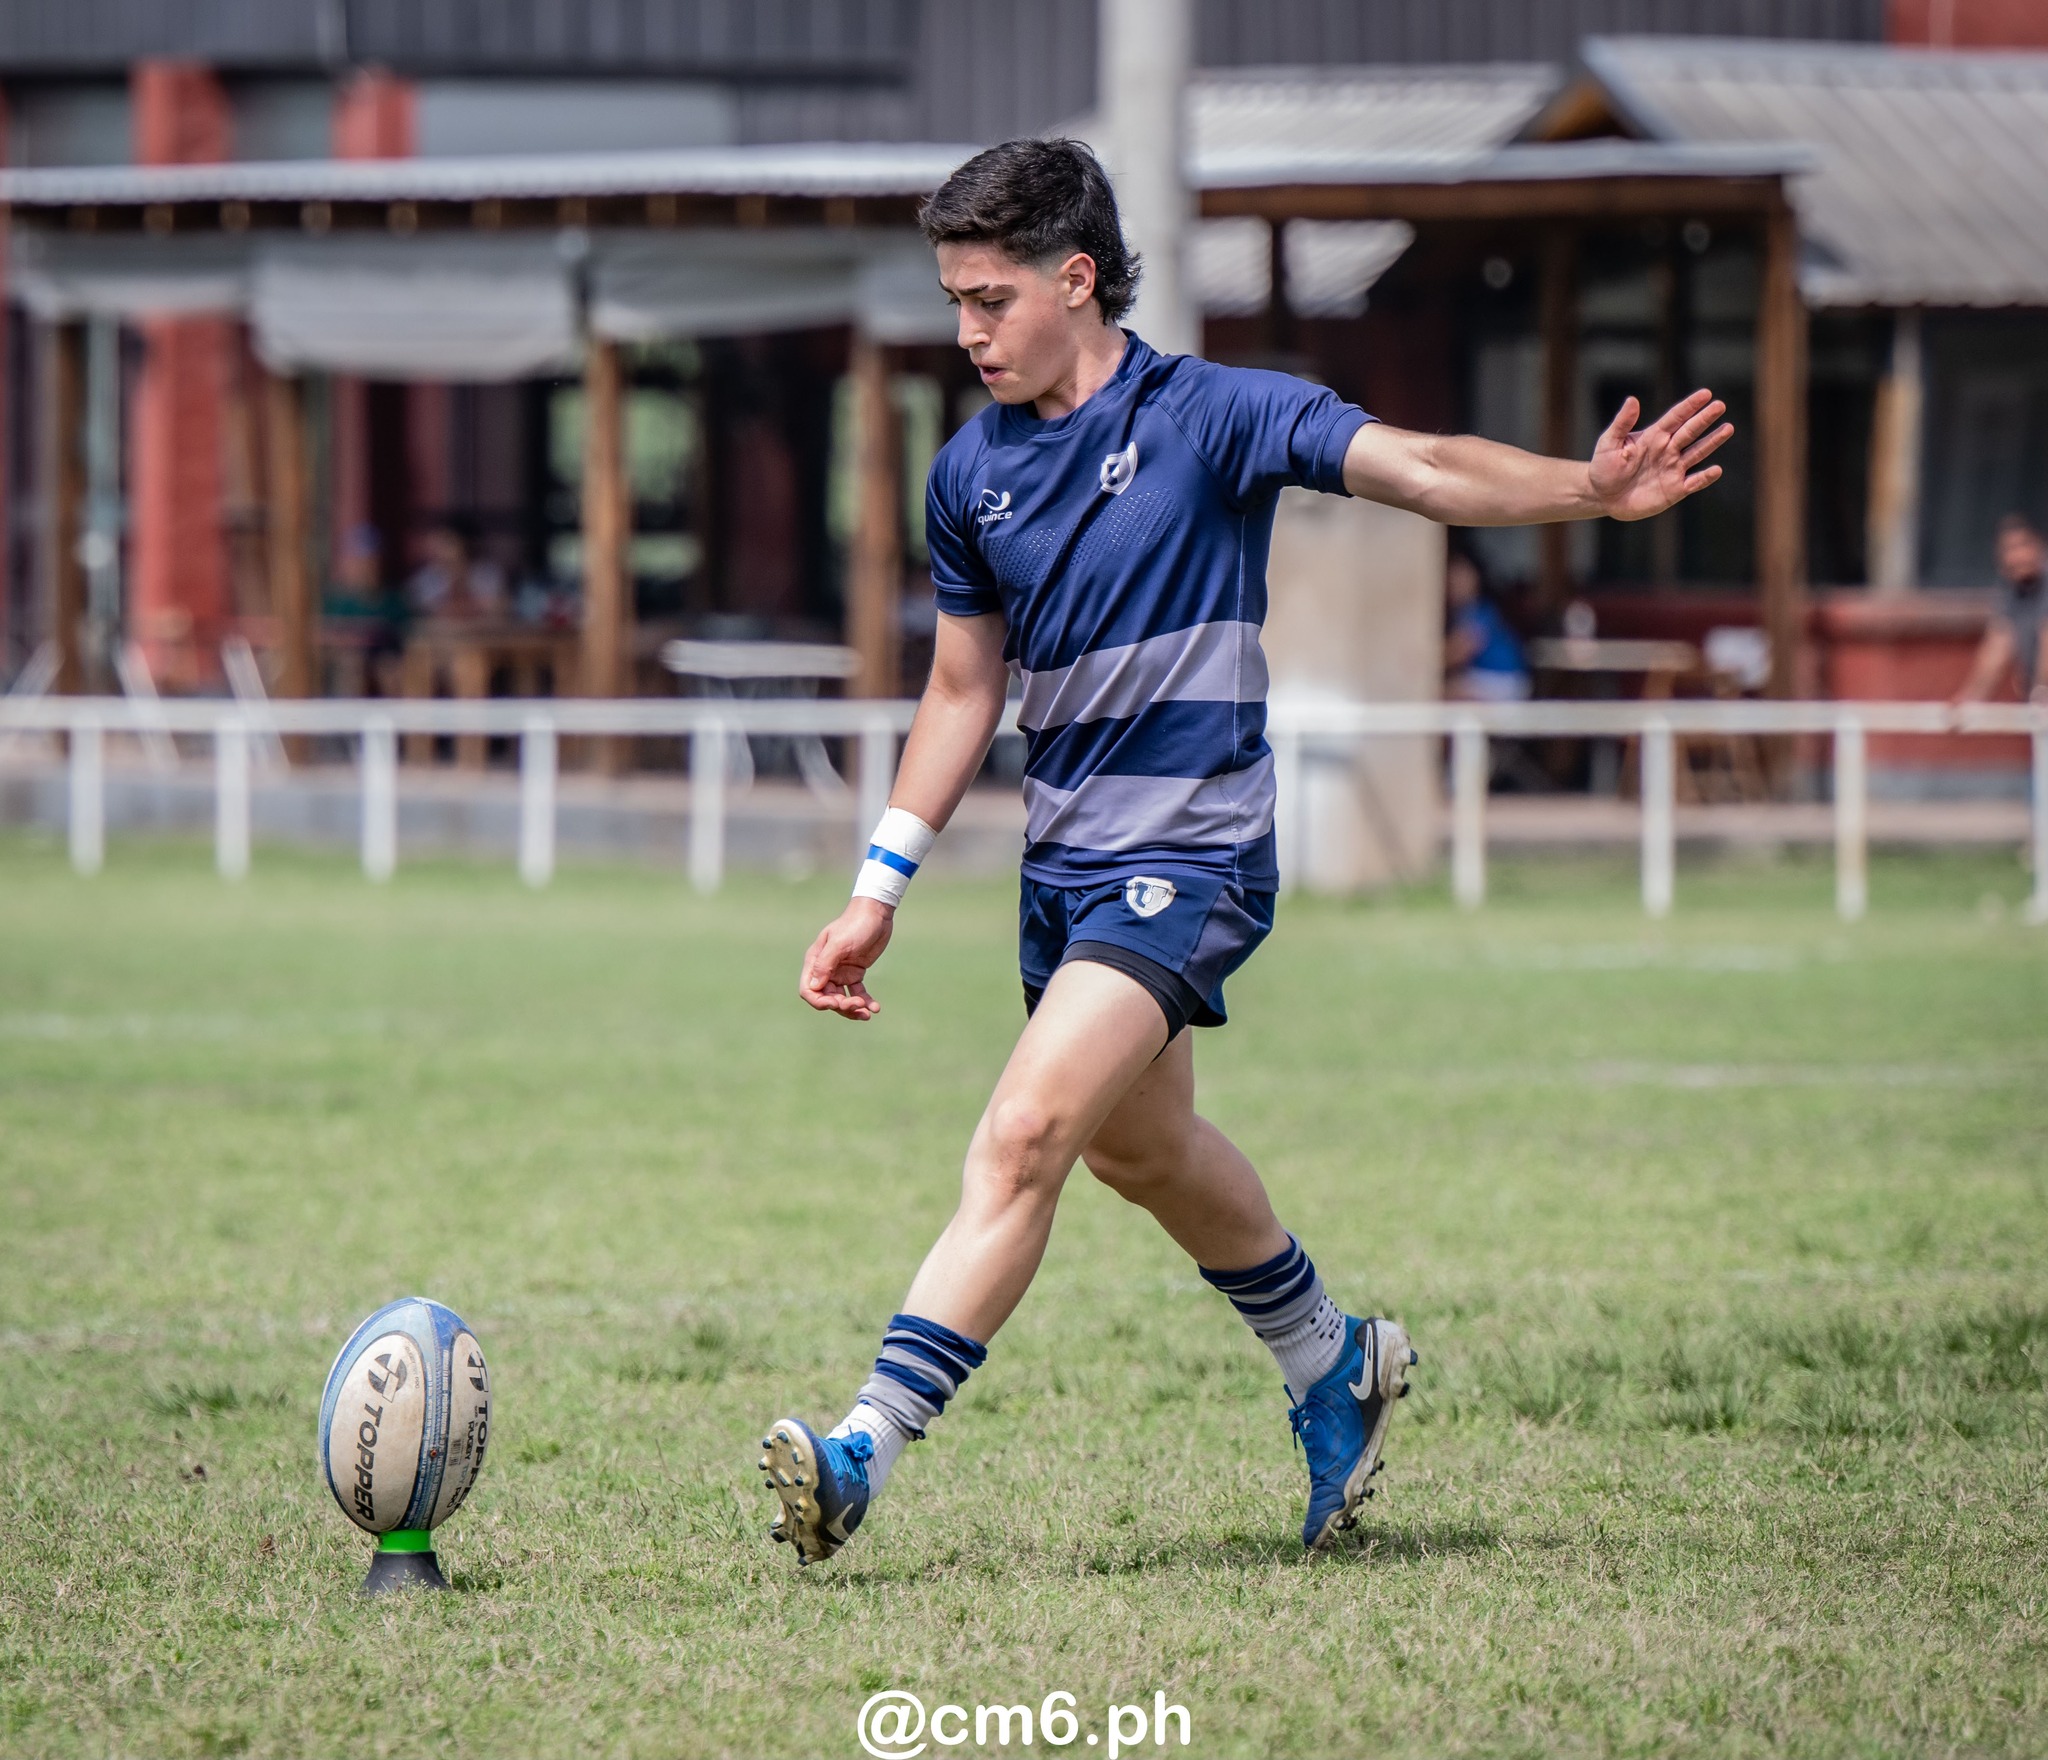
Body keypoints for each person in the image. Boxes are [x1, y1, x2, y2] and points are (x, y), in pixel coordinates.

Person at [760, 139, 1732, 1564]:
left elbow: (1422, 468)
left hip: (1196, 850)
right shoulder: (970, 473)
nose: (963, 332)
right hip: (1070, 864)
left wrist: (1584, 491)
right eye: (954, 300)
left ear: (1074, 279)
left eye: (987, 299)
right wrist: (876, 890)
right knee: (1140, 1152)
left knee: (1025, 1134)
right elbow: (964, 691)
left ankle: (861, 1452)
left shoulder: (1216, 415)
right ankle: (1333, 1363)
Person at [1953, 512, 2048, 705]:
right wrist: (1970, 698)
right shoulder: (2011, 591)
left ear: (2040, 546)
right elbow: (1998, 645)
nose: (2018, 556)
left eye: (2024, 546)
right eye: (2010, 549)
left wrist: (2041, 690)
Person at [1444, 548, 1531, 701]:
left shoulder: (1480, 610)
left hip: (1500, 679)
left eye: (1460, 578)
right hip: (1488, 678)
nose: (1454, 584)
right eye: (1450, 578)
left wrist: (1424, 663)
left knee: (1437, 692)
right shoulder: (1461, 612)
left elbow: (1461, 649)